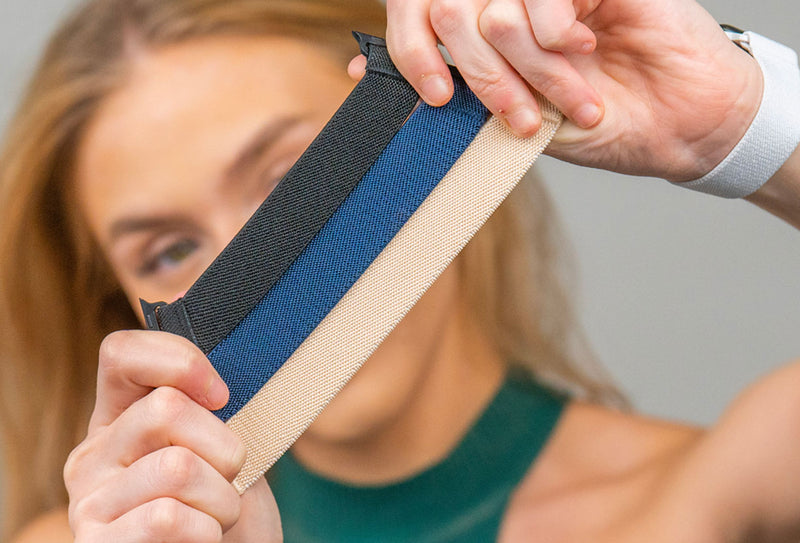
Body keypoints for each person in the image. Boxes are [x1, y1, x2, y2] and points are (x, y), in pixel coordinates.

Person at [0, 0, 798, 542]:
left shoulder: (735, 483)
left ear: (429, 135)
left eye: (292, 183)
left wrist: (742, 122)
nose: (272, 272)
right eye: (168, 251)